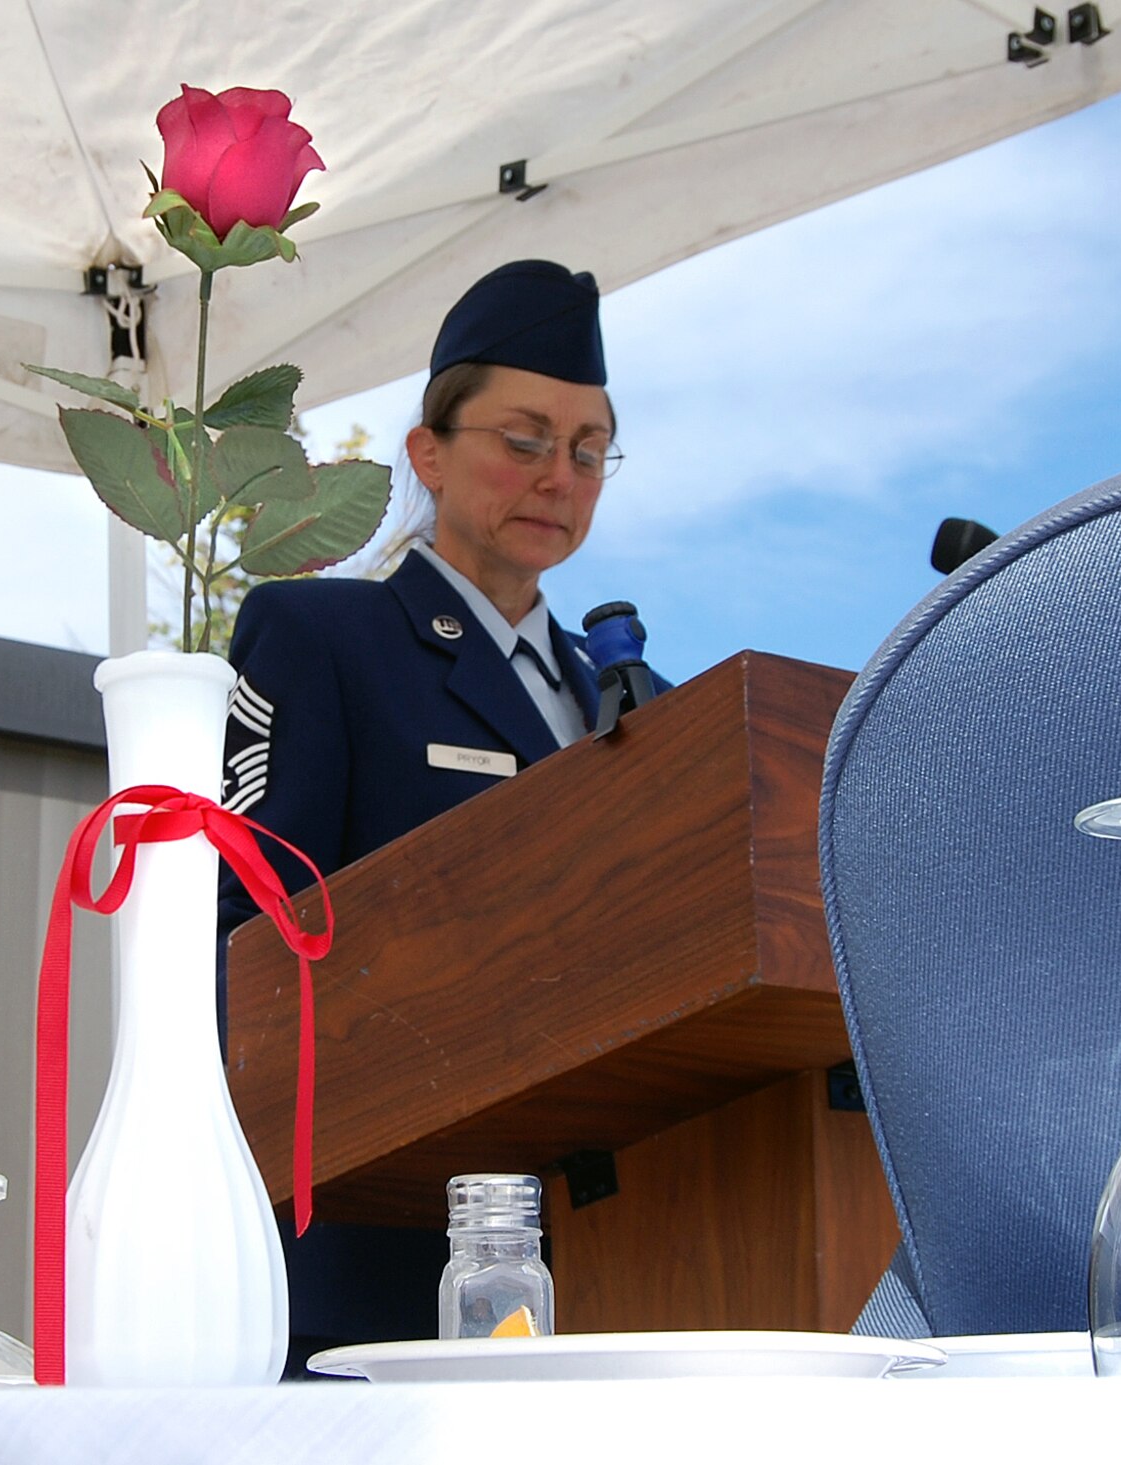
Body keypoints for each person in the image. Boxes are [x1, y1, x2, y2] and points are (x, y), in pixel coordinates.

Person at [214, 259, 669, 1371]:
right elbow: (250, 936)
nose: (557, 475)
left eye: (588, 449)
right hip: (376, 1246)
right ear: (426, 450)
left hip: (625, 1245)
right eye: (522, 439)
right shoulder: (324, 641)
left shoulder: (644, 702)